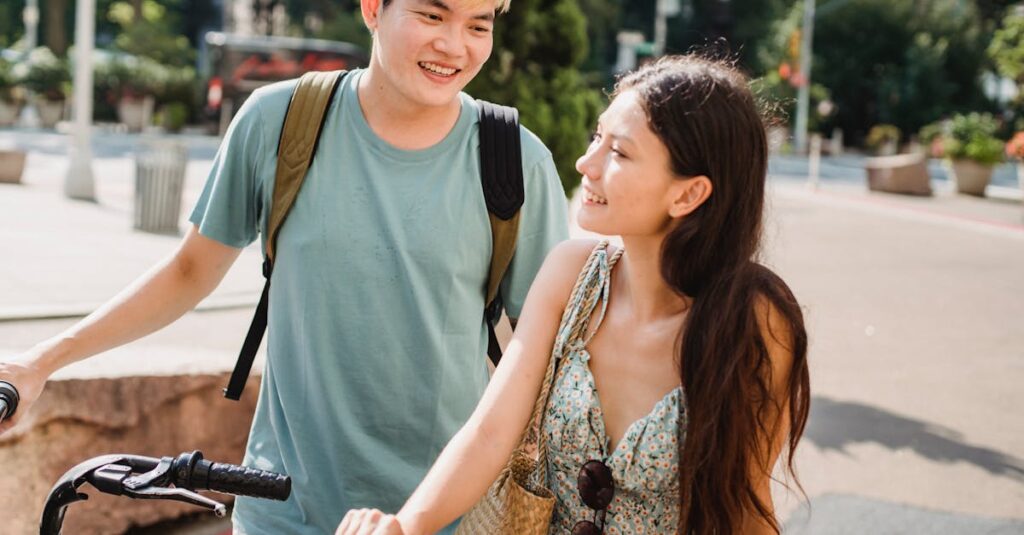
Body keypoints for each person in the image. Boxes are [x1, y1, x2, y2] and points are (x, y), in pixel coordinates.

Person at [0, 0, 569, 532]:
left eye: (478, 26)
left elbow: (550, 354)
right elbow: (189, 272)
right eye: (432, 15)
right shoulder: (280, 122)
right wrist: (40, 361)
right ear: (373, 7)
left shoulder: (516, 160)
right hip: (281, 508)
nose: (454, 46)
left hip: (445, 517)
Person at [338, 54, 811, 535]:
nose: (587, 163)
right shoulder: (572, 274)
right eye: (596, 138)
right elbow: (489, 433)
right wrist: (404, 525)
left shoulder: (754, 319)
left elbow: (747, 503)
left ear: (687, 195)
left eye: (620, 153)